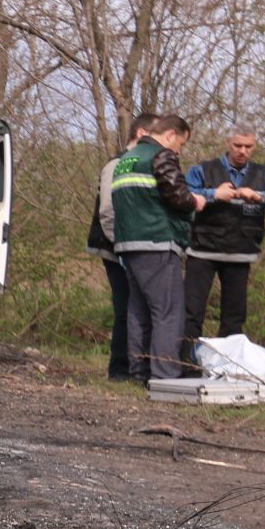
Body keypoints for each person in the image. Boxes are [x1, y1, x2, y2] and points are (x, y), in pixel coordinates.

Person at [181, 127, 265, 364]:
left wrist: (260, 197)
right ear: (228, 143)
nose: (243, 151)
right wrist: (213, 194)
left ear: (254, 146)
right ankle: (185, 365)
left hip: (240, 254)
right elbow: (182, 193)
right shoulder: (203, 170)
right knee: (191, 313)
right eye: (238, 145)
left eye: (248, 146)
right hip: (203, 250)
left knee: (234, 317)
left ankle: (228, 367)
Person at [111, 113, 206, 384]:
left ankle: (139, 373)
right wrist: (195, 201)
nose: (179, 151)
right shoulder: (160, 155)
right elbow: (176, 195)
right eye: (181, 144)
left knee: (138, 311)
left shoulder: (125, 161)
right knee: (168, 311)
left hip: (128, 244)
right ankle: (165, 375)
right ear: (171, 136)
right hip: (157, 241)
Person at [88, 112, 158, 380]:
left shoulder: (143, 164)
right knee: (125, 306)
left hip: (137, 246)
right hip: (115, 248)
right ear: (141, 134)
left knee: (139, 305)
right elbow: (107, 211)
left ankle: (138, 365)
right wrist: (122, 247)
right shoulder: (116, 164)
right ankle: (119, 369)